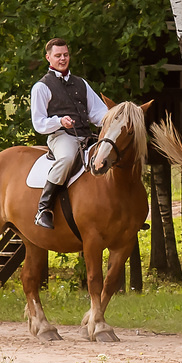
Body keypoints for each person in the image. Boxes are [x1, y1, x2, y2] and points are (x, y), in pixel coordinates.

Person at [29, 38, 109, 230]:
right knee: (65, 159)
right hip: (61, 137)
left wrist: (114, 119)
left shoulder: (81, 83)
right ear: (49, 57)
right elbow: (38, 123)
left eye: (65, 55)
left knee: (111, 155)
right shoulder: (42, 87)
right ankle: (44, 208)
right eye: (58, 56)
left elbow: (98, 112)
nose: (63, 59)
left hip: (86, 136)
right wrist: (59, 121)